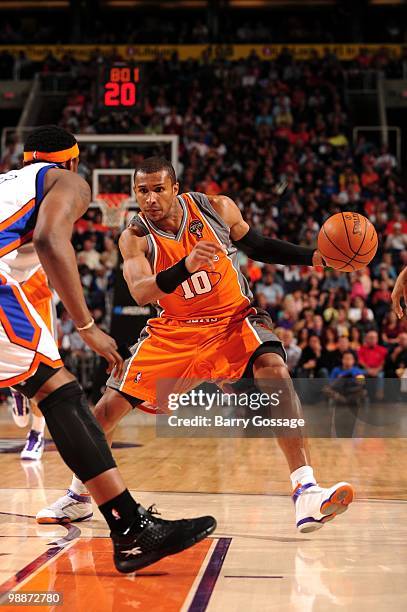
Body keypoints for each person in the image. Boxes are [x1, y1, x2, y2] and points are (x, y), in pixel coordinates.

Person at [38, 156, 354, 534]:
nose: (151, 199)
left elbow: (256, 244)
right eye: (143, 191)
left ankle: (306, 489)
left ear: (175, 188)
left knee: (273, 369)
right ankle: (78, 497)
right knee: (104, 412)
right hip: (174, 331)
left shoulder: (216, 208)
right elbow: (140, 292)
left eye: (158, 189)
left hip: (232, 320)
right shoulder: (134, 237)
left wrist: (313, 257)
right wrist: (186, 265)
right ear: (134, 194)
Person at [0, 127, 216, 573]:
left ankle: (126, 525)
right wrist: (88, 326)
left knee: (50, 388)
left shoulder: (8, 183)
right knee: (58, 393)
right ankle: (130, 530)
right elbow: (49, 239)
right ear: (73, 163)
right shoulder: (67, 181)